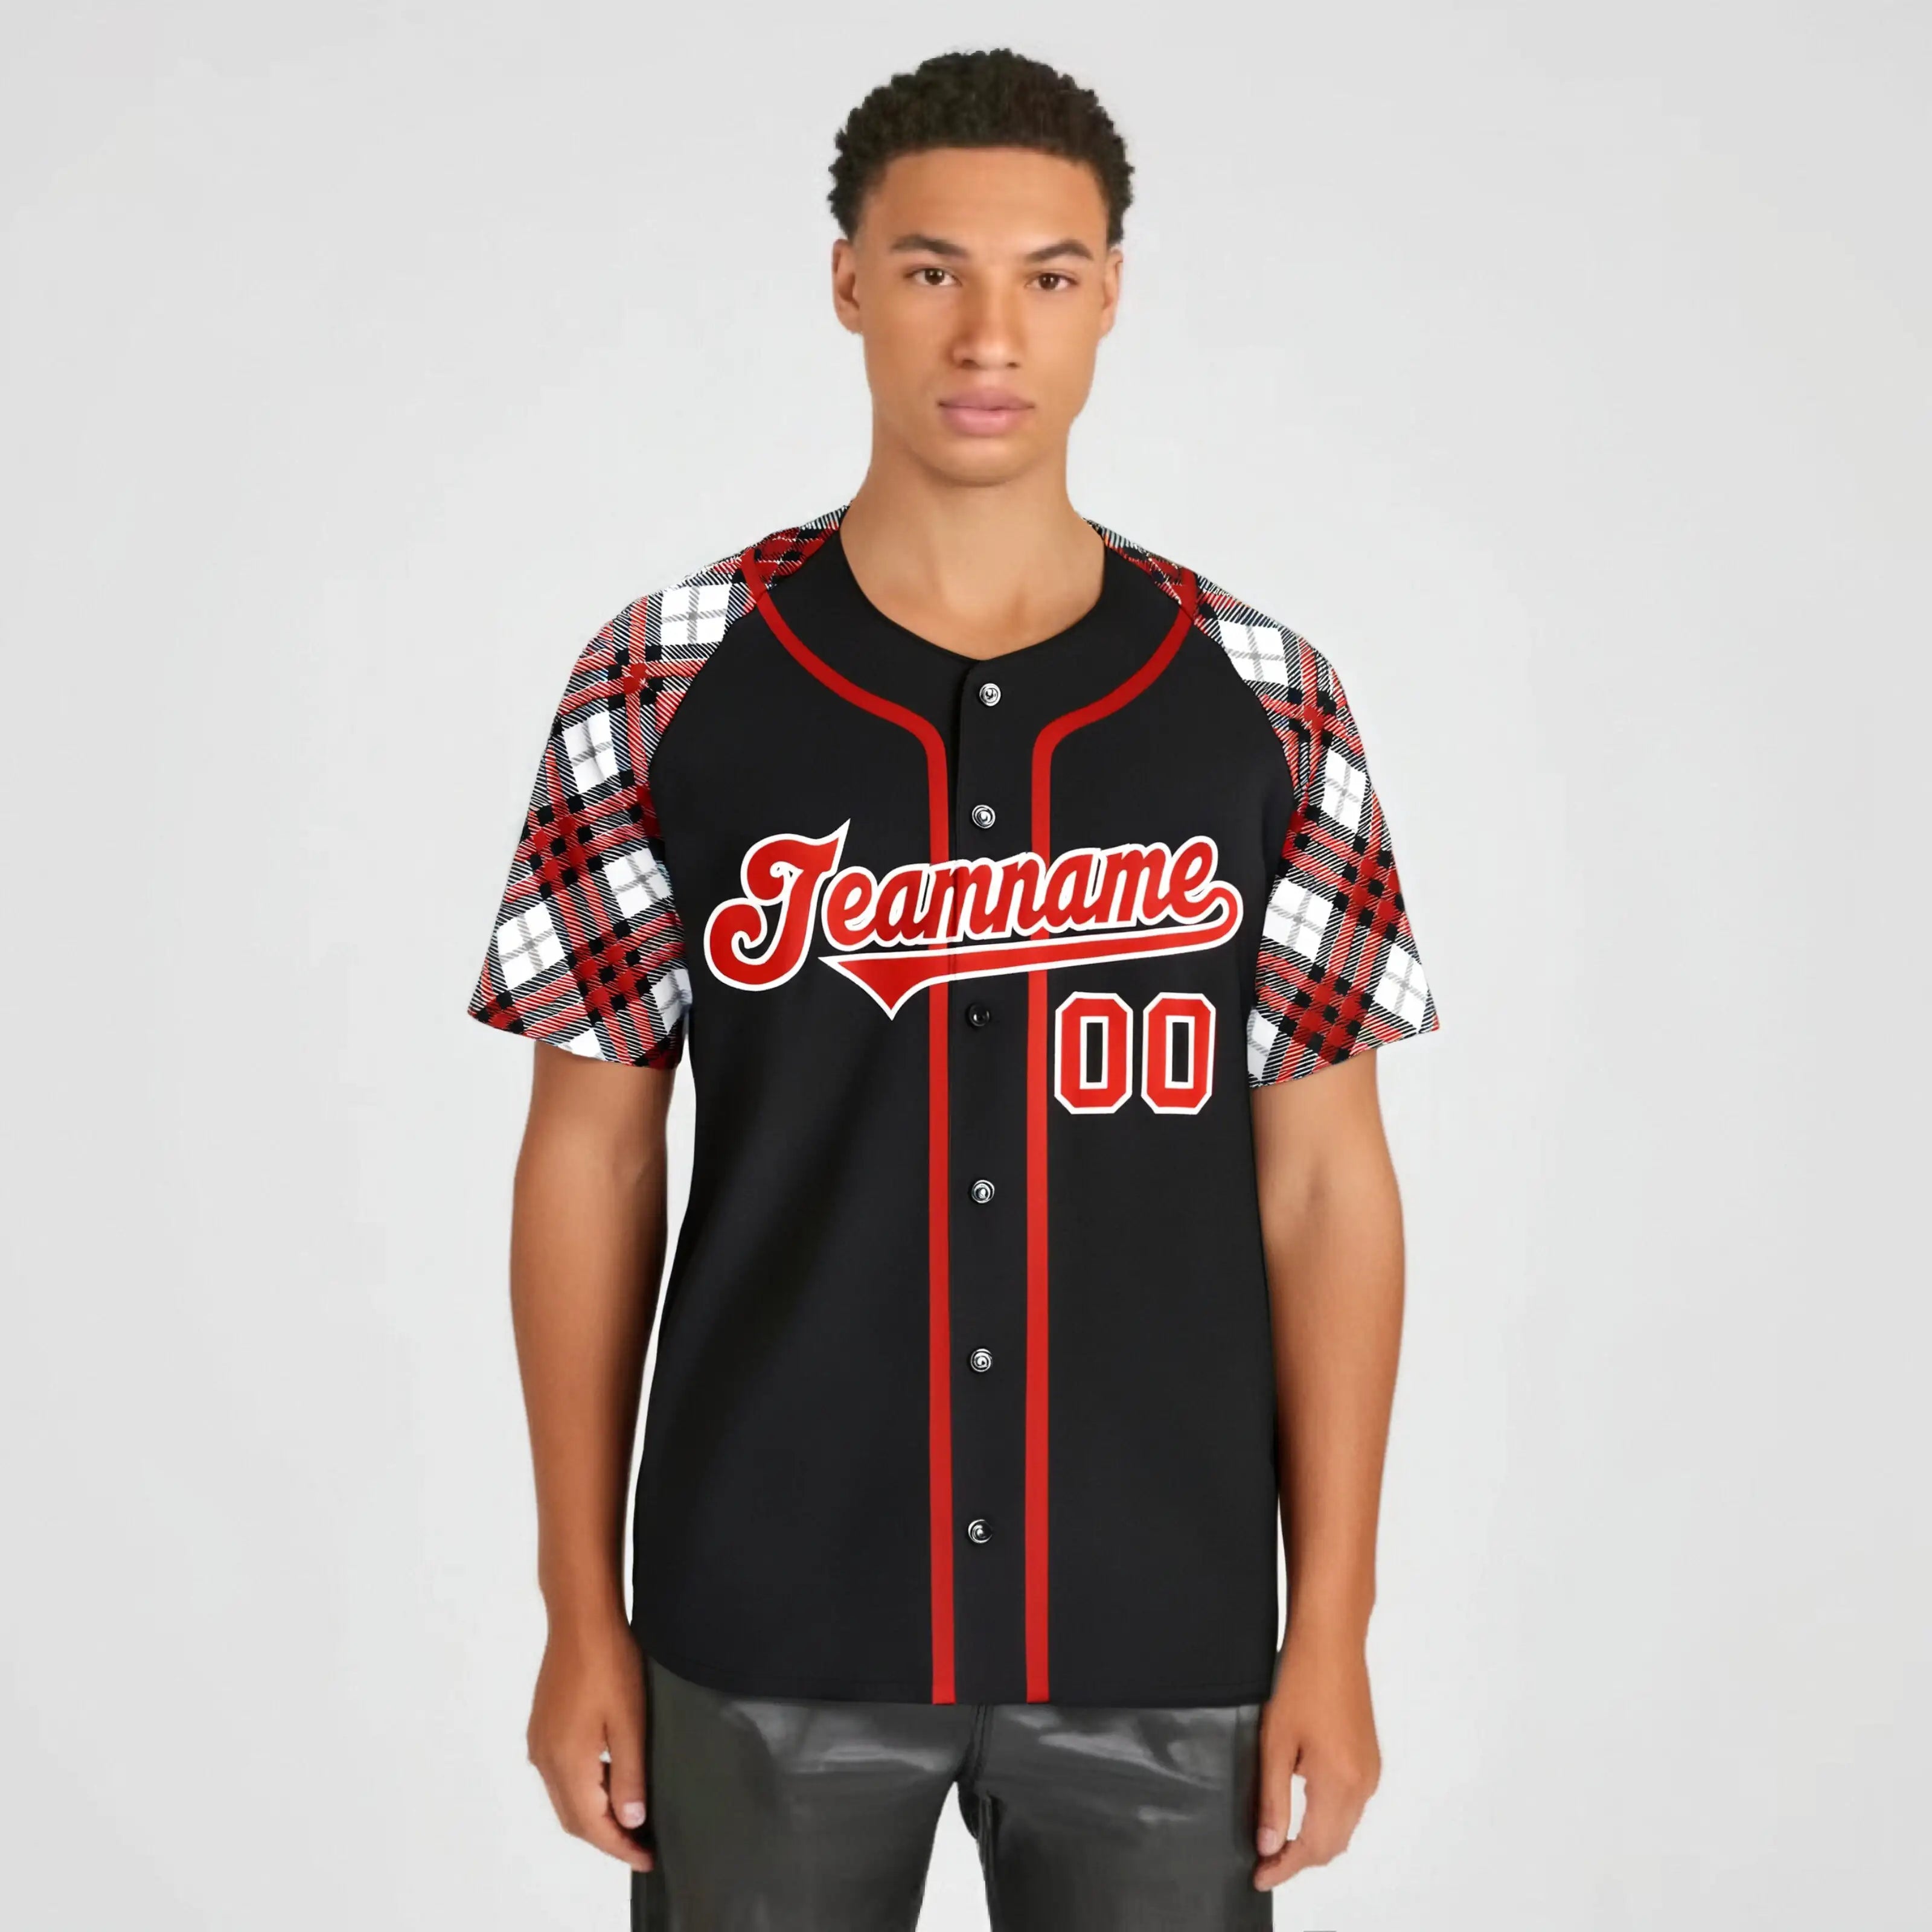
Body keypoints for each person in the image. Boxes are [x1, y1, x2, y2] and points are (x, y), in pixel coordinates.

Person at [465, 45, 1438, 1930]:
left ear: (1110, 295)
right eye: (933, 270)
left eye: (1047, 275)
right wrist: (581, 1609)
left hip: (1160, 1626)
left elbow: (1328, 1181)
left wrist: (1334, 1625)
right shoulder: (662, 679)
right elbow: (589, 1153)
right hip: (764, 1616)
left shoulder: (1263, 699)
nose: (991, 334)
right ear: (849, 282)